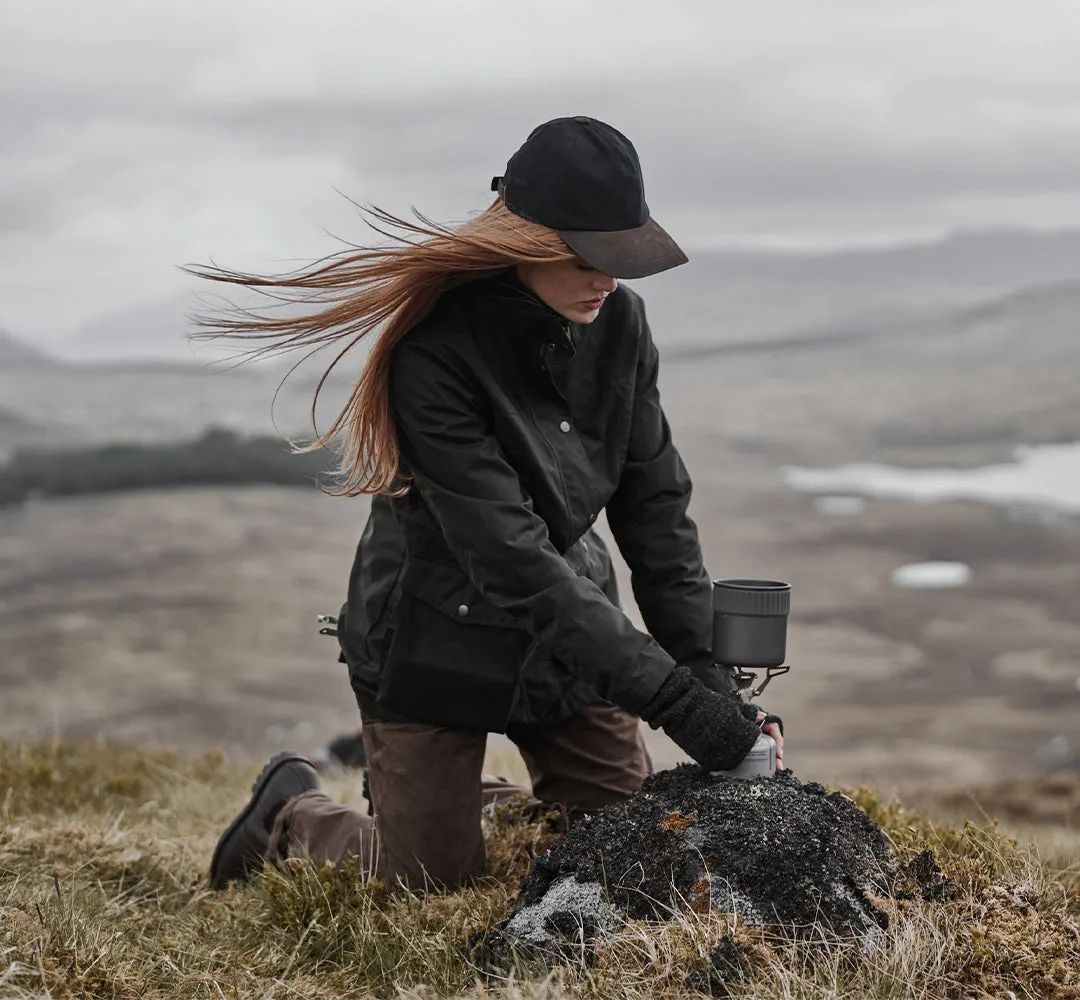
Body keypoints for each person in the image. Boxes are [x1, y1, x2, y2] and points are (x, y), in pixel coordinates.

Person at [199, 116, 785, 893]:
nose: (608, 280)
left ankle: (459, 805)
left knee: (618, 841)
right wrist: (676, 703)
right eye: (587, 257)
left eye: (621, 256)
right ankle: (290, 814)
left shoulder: (620, 323)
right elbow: (510, 560)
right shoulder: (432, 353)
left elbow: (656, 512)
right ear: (527, 244)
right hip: (435, 636)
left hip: (568, 636)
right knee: (428, 878)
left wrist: (708, 679)